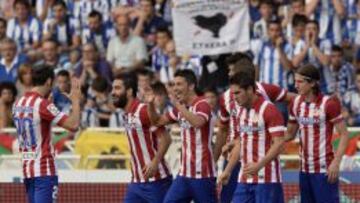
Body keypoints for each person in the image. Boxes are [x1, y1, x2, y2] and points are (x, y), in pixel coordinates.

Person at [214, 53, 294, 203]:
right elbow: (240, 142)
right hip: (245, 178)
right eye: (233, 93)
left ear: (250, 89)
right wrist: (227, 171)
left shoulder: (269, 109)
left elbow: (279, 143)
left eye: (237, 93)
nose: (235, 97)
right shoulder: (240, 111)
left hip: (267, 178)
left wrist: (292, 127)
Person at [12, 64, 81, 203]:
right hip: (44, 169)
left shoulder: (18, 103)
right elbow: (73, 125)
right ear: (49, 81)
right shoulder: (42, 104)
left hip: (27, 169)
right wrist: (75, 100)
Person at [147, 69, 217, 203]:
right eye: (173, 85)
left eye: (179, 84)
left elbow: (197, 122)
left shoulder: (203, 104)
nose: (175, 88)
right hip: (184, 174)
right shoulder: (181, 108)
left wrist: (178, 105)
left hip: (203, 174)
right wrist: (150, 104)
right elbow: (157, 121)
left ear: (191, 86)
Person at [285, 64, 349, 203]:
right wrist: (267, 139)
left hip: (324, 170)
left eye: (300, 82)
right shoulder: (295, 103)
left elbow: (344, 134)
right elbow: (289, 134)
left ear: (313, 83)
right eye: (295, 81)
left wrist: (336, 163)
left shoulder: (328, 104)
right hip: (304, 170)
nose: (296, 85)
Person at [111, 72, 172, 203]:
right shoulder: (126, 114)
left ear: (129, 92)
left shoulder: (143, 111)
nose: (112, 92)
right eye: (112, 88)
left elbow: (166, 139)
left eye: (117, 88)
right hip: (136, 182)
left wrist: (155, 162)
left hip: (157, 181)